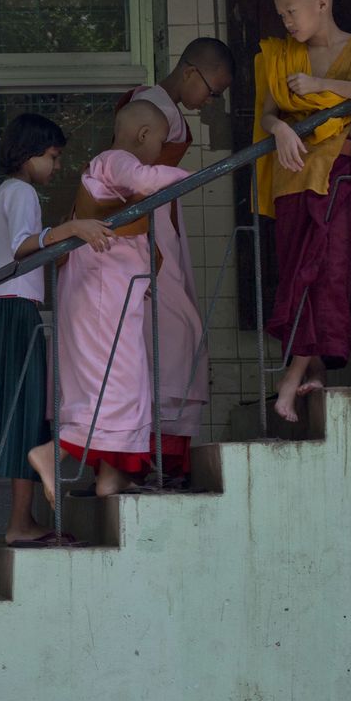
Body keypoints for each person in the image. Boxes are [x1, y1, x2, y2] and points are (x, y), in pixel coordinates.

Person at [0, 114, 113, 547]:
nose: (57, 166)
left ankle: (21, 520)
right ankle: (21, 521)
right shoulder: (23, 191)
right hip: (15, 314)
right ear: (30, 155)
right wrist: (73, 228)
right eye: (53, 157)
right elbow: (23, 246)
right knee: (27, 415)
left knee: (19, 414)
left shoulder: (3, 194)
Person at [254, 0, 351, 423]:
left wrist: (323, 86)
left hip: (336, 176)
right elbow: (268, 114)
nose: (286, 23)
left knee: (325, 270)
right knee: (297, 271)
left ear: (321, 3)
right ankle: (312, 371)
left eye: (291, 12)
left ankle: (290, 382)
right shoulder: (281, 56)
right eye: (280, 15)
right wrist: (278, 130)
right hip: (292, 178)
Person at [29, 101, 191, 504]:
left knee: (128, 383)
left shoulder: (105, 169)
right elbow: (147, 178)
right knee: (114, 384)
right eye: (159, 142)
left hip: (106, 294)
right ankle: (54, 452)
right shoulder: (114, 160)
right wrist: (200, 174)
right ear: (143, 136)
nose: (159, 153)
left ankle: (110, 479)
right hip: (100, 296)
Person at [117, 39, 235, 479]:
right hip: (148, 228)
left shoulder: (157, 102)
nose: (210, 102)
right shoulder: (152, 106)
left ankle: (158, 456)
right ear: (189, 71)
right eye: (212, 90)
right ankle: (153, 457)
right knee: (169, 335)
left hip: (161, 222)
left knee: (171, 336)